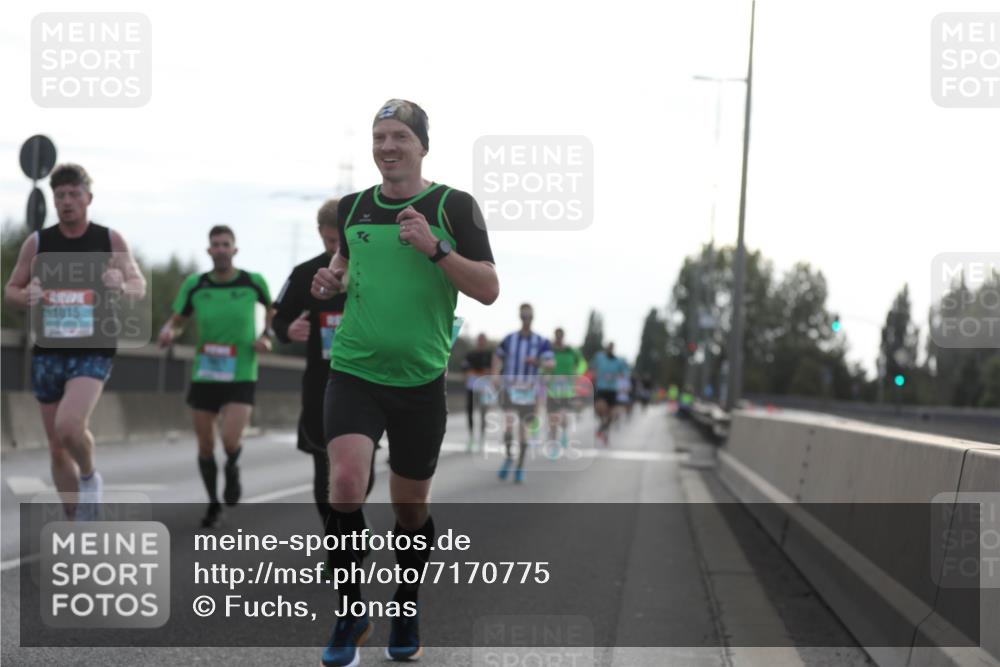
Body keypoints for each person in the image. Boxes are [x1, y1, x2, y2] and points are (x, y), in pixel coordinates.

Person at [311, 98, 498, 666]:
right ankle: (350, 613)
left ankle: (407, 601)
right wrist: (330, 280)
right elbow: (345, 267)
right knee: (344, 485)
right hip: (354, 371)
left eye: (398, 137)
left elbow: (488, 287)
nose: (387, 147)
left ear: (422, 145)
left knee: (409, 508)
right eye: (378, 137)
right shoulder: (353, 208)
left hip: (420, 382)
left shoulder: (454, 206)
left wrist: (437, 249)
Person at [4, 163, 146, 520]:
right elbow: (11, 289)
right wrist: (26, 295)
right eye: (60, 195)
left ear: (88, 198)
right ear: (54, 200)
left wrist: (121, 284)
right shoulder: (38, 243)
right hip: (49, 350)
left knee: (69, 426)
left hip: (93, 348)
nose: (67, 201)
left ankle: (88, 477)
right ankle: (77, 519)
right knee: (56, 446)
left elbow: (138, 285)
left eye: (74, 194)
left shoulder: (109, 240)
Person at [271, 200, 379, 536]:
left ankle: (351, 517)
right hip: (321, 383)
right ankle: (337, 540)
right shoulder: (306, 274)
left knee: (363, 469)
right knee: (324, 465)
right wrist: (287, 331)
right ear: (320, 234)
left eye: (341, 242)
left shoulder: (374, 271)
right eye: (330, 242)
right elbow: (279, 317)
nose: (336, 250)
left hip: (367, 381)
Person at [158, 225, 272, 528]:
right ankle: (213, 503)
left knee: (230, 439)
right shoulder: (195, 285)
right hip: (206, 373)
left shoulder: (252, 282)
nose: (220, 249)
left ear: (234, 250)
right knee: (205, 444)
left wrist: (266, 335)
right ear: (209, 251)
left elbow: (274, 312)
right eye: (215, 245)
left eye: (225, 244)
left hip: (241, 372)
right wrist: (169, 332)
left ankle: (233, 467)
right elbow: (178, 321)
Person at [493, 303, 554, 483]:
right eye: (523, 316)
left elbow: (551, 364)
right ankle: (509, 457)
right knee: (508, 428)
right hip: (511, 390)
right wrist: (495, 374)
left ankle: (520, 465)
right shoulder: (510, 339)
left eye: (529, 316)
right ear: (520, 317)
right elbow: (497, 355)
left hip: (529, 393)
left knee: (523, 432)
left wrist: (538, 363)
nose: (526, 319)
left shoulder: (541, 342)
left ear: (533, 317)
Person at [543, 327, 586, 449]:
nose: (558, 338)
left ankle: (563, 433)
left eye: (560, 335)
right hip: (552, 390)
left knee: (564, 416)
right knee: (553, 417)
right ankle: (553, 438)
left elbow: (583, 363)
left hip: (567, 390)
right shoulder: (549, 352)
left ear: (563, 336)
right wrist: (545, 375)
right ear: (554, 336)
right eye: (557, 335)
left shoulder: (571, 351)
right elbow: (542, 366)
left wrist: (576, 374)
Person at [590, 342, 629, 445]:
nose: (610, 350)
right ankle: (603, 427)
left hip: (613, 390)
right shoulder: (599, 357)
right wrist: (593, 375)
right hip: (602, 389)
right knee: (601, 410)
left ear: (613, 349)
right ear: (606, 348)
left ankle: (603, 430)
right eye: (608, 348)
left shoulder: (619, 361)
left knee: (611, 415)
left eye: (612, 348)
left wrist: (624, 384)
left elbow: (625, 373)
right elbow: (592, 367)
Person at [461, 333, 493, 451]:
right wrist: (478, 371)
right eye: (479, 340)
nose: (481, 342)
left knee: (483, 413)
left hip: (484, 387)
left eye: (483, 340)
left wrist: (483, 372)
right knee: (469, 411)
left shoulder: (489, 355)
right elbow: (465, 369)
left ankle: (482, 438)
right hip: (471, 387)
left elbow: (492, 370)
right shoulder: (470, 354)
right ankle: (471, 436)